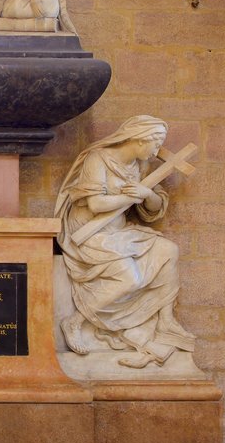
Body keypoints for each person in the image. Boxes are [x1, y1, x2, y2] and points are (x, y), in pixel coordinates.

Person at [54, 115, 194, 368]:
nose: (156, 150)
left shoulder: (141, 166)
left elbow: (153, 207)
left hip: (120, 232)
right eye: (155, 143)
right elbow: (96, 204)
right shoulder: (98, 159)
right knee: (131, 278)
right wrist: (131, 198)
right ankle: (75, 321)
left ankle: (165, 319)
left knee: (168, 250)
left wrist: (147, 194)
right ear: (139, 140)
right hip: (89, 234)